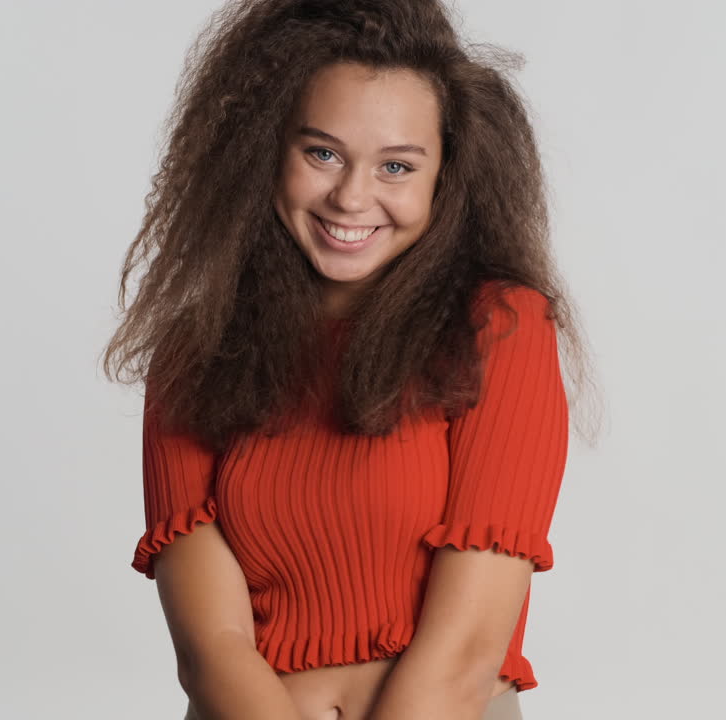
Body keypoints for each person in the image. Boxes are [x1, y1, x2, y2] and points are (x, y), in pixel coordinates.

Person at [101, 1, 603, 718]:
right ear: (265, 147)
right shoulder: (196, 349)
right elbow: (209, 649)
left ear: (446, 179)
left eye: (396, 166)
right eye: (322, 153)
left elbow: (463, 656)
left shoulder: (500, 327)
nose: (352, 197)